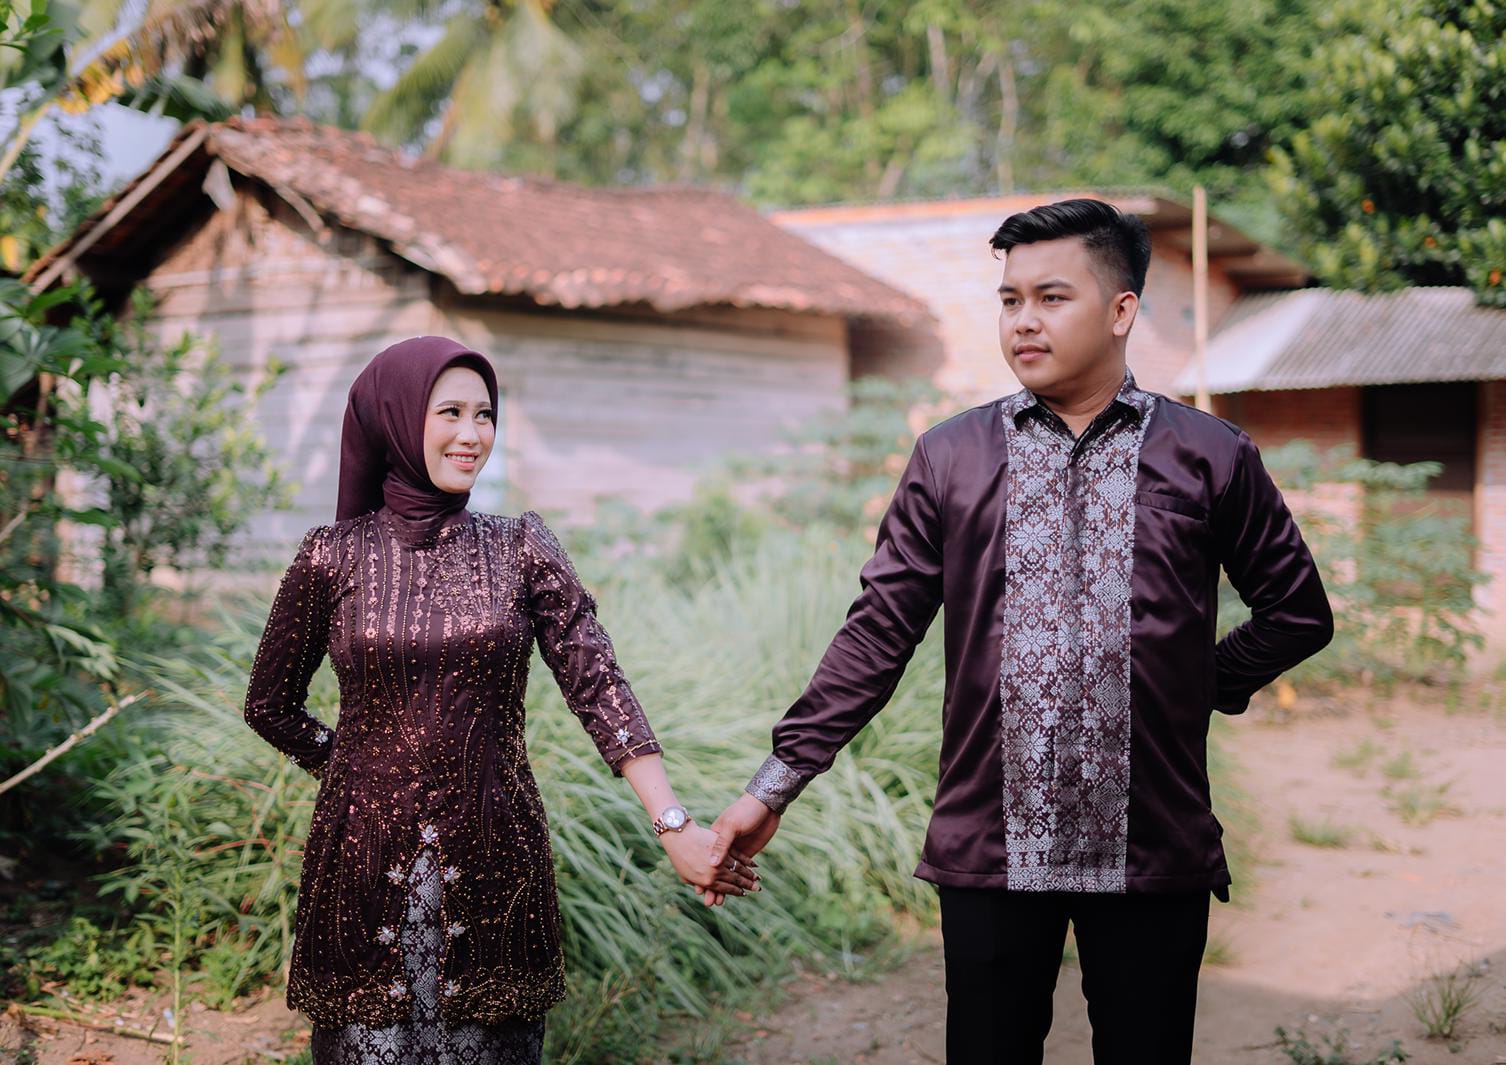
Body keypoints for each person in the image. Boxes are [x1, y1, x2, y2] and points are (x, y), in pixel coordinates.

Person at [708, 199, 1334, 1064]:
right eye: (1010, 300)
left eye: (1051, 297)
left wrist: (1198, 684)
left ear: (1121, 310)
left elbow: (1298, 611)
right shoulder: (952, 456)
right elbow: (877, 635)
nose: (1024, 321)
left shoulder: (1208, 453)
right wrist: (773, 785)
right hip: (989, 846)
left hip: (1152, 843)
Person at [244, 336, 756, 1065]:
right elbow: (269, 703)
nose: (473, 434)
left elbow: (597, 683)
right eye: (449, 412)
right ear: (395, 418)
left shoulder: (520, 546)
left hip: (497, 858)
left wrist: (671, 821)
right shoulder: (332, 555)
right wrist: (354, 766)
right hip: (362, 862)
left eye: (485, 414)